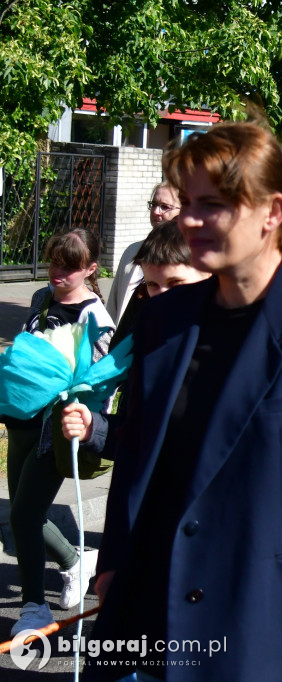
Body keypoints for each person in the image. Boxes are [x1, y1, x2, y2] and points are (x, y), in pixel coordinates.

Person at [61, 121, 282, 681]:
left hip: (268, 621)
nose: (190, 220)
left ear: (271, 213)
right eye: (188, 202)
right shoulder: (166, 318)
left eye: (214, 205)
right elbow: (140, 456)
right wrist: (114, 564)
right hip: (152, 610)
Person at [5, 229, 113, 635]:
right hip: (21, 423)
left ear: (89, 269)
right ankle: (74, 561)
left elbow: (102, 385)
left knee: (24, 515)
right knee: (23, 517)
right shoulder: (41, 298)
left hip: (56, 431)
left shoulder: (96, 316)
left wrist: (79, 419)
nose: (57, 272)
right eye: (53, 262)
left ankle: (35, 609)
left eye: (68, 267)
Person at [109, 219, 210, 349]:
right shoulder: (142, 311)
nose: (162, 294)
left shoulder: (227, 327)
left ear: (207, 272)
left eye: (174, 282)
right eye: (153, 285)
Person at [106, 183, 181, 323]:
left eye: (165, 207)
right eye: (154, 204)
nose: (156, 212)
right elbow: (113, 307)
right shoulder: (132, 251)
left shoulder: (187, 256)